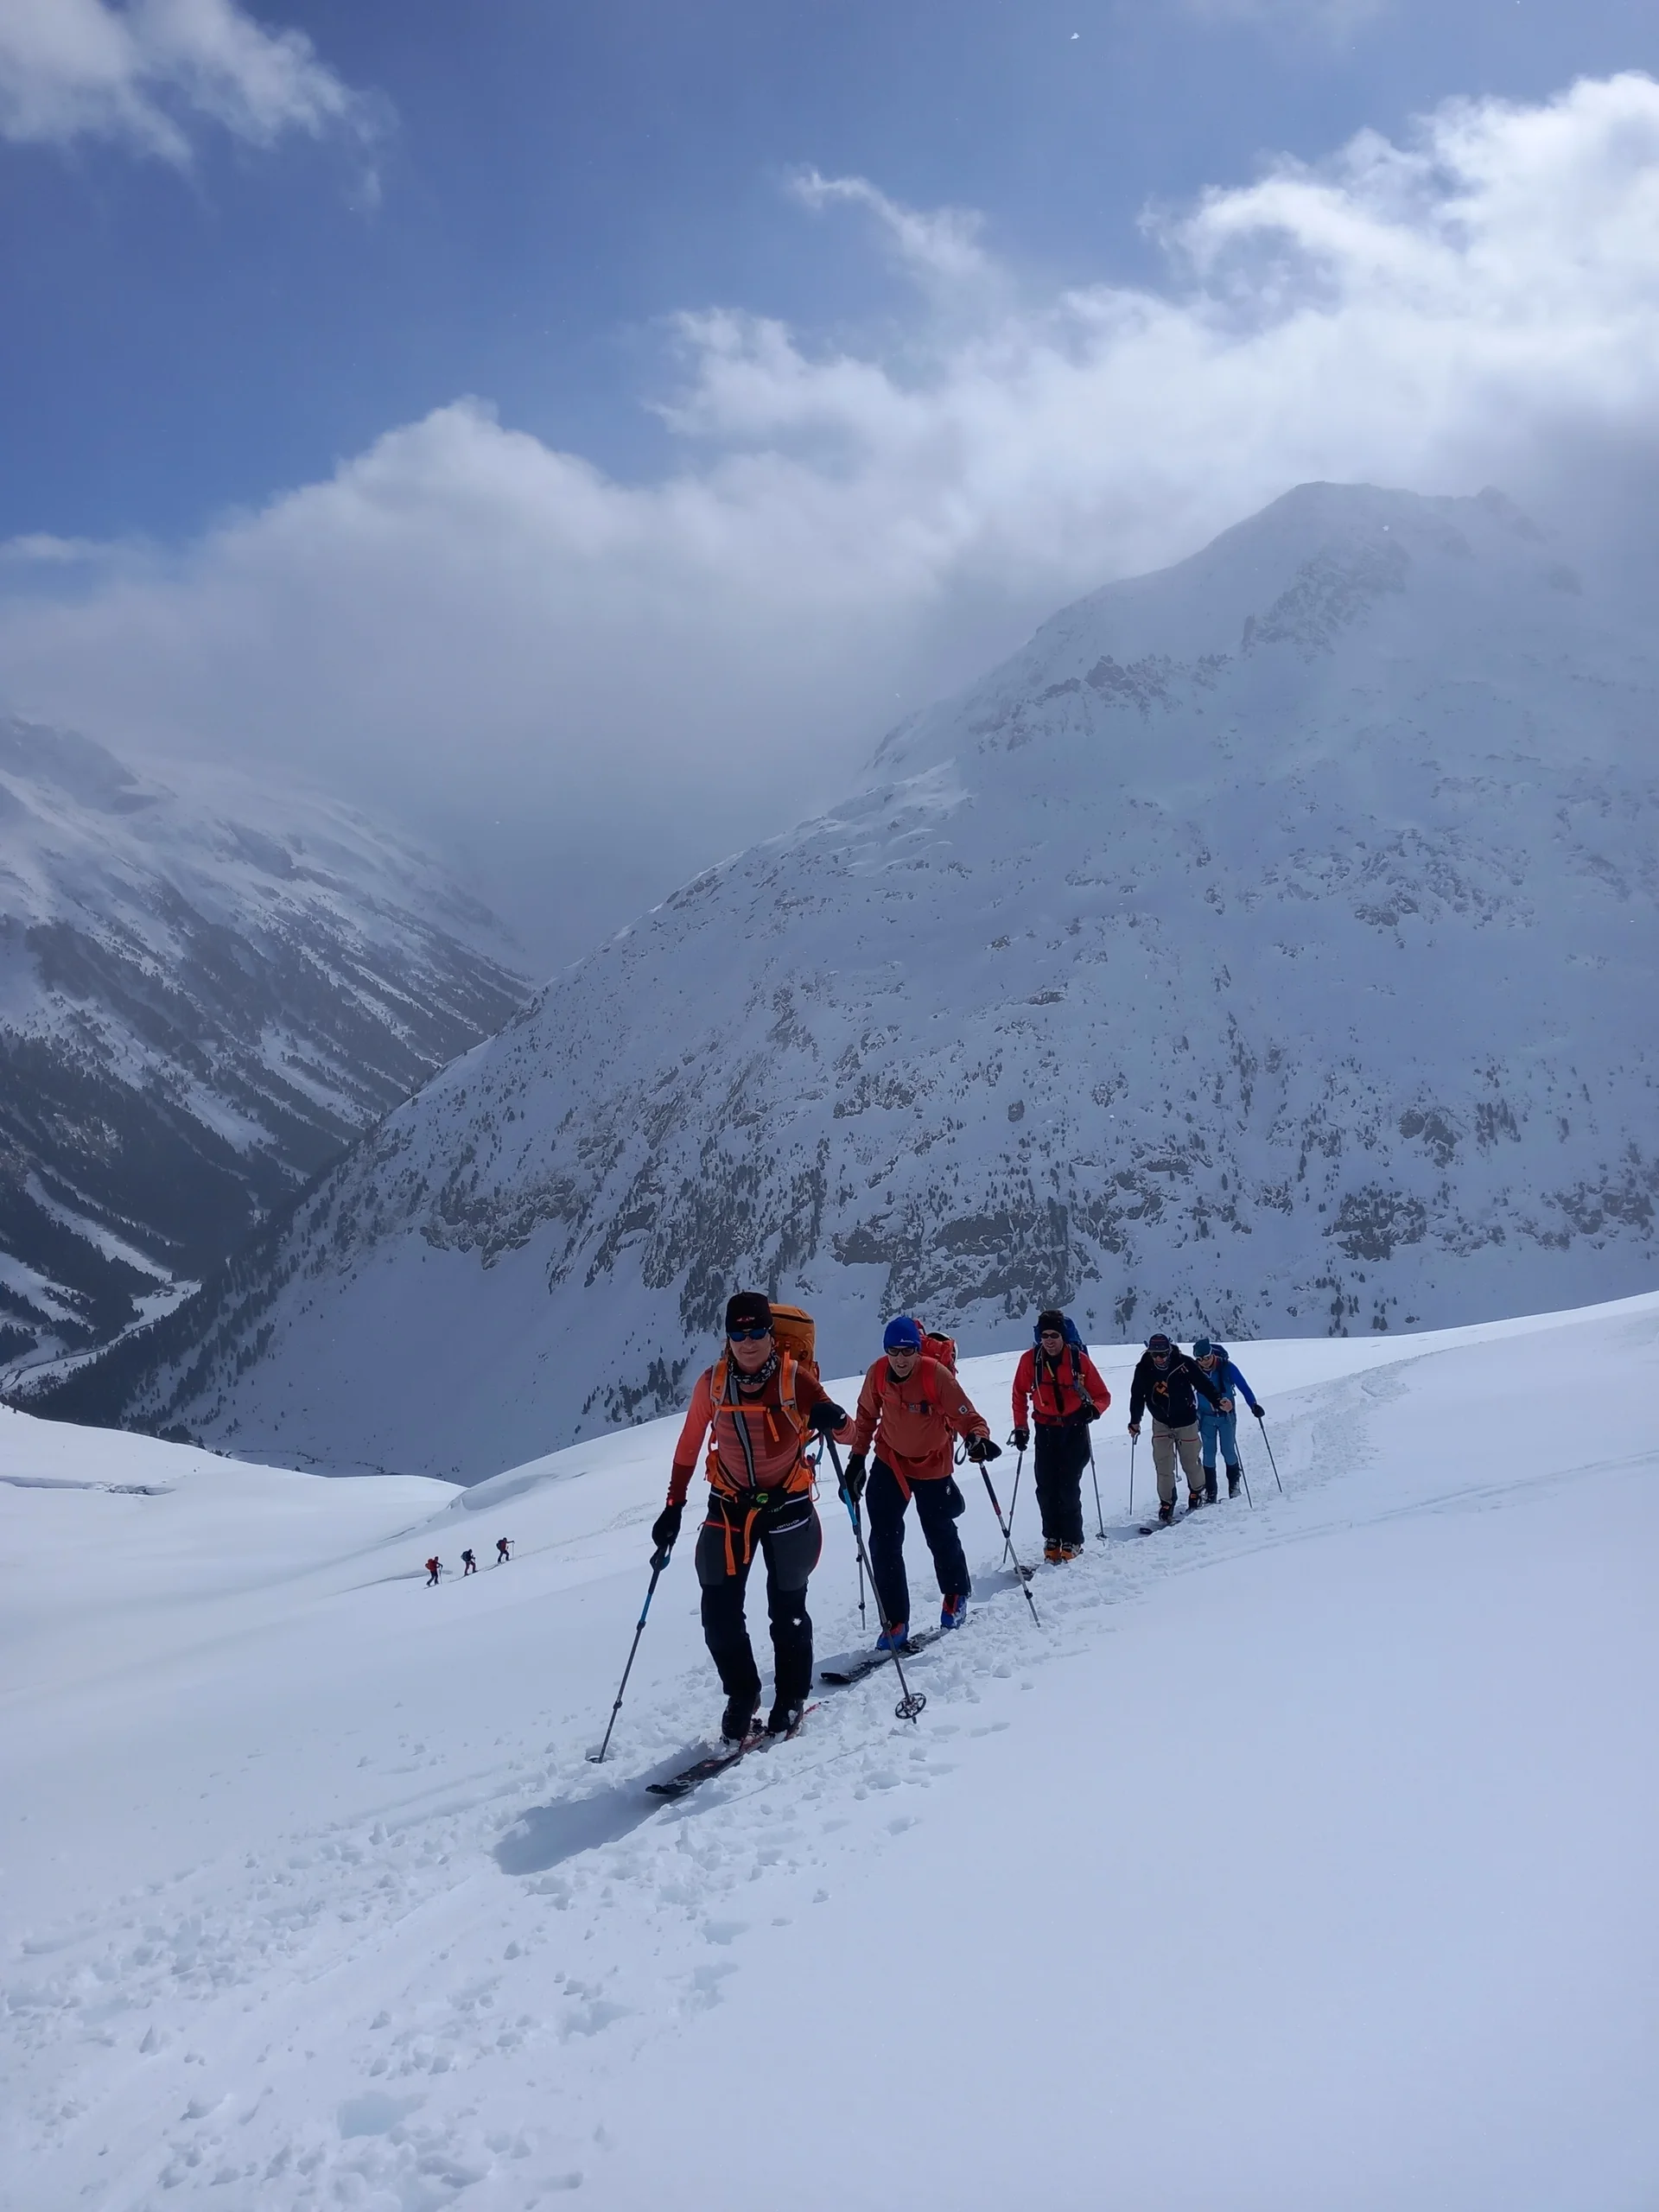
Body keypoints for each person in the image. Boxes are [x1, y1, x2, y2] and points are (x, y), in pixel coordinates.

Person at [650, 1292, 850, 1745]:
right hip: (728, 1504)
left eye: (757, 1331)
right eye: (738, 1333)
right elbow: (687, 1446)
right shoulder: (713, 1384)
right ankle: (743, 1695)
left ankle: (792, 1697)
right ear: (728, 1336)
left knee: (787, 1610)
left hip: (788, 1505)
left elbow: (851, 1431)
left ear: (770, 1334)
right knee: (717, 1612)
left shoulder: (795, 1380)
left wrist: (833, 1419)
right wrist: (673, 1505)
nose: (748, 1341)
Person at [841, 1316, 998, 1648]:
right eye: (893, 1351)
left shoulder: (934, 1375)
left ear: (917, 1350)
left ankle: (956, 1594)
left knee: (938, 1532)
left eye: (907, 1351)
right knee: (883, 1540)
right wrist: (857, 1461)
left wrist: (977, 1438)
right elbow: (867, 1416)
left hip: (933, 1463)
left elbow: (966, 1416)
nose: (900, 1358)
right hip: (891, 1460)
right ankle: (895, 1621)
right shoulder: (878, 1373)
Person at [1011, 1310, 1111, 1562]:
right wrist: (1021, 1428)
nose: (1049, 1340)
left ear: (1063, 1336)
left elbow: (1103, 1396)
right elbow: (1019, 1394)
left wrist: (1093, 1410)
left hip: (1074, 1429)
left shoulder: (1079, 1361)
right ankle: (1052, 1538)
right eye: (1044, 1335)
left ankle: (1073, 1540)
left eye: (1054, 1335)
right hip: (1044, 1430)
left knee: (1067, 1486)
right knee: (1045, 1487)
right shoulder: (1029, 1361)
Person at [1127, 1335, 1224, 1523]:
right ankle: (1166, 1503)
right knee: (1163, 1465)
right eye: (1155, 1354)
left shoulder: (1184, 1363)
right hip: (1161, 1421)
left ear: (1169, 1350)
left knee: (1190, 1462)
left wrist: (1218, 1401)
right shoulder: (1144, 1368)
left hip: (1186, 1420)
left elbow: (1203, 1384)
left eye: (1163, 1354)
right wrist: (1135, 1421)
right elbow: (1137, 1395)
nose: (1159, 1359)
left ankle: (1197, 1492)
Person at [1192, 1338, 1264, 1501]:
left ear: (1212, 1354)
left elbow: (1244, 1387)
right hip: (1206, 1418)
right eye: (1200, 1359)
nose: (1204, 1362)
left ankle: (1234, 1488)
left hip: (1226, 1417)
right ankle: (1211, 1493)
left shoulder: (1227, 1367)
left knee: (1228, 1451)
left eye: (1207, 1357)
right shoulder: (1195, 1371)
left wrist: (1254, 1405)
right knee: (1209, 1454)